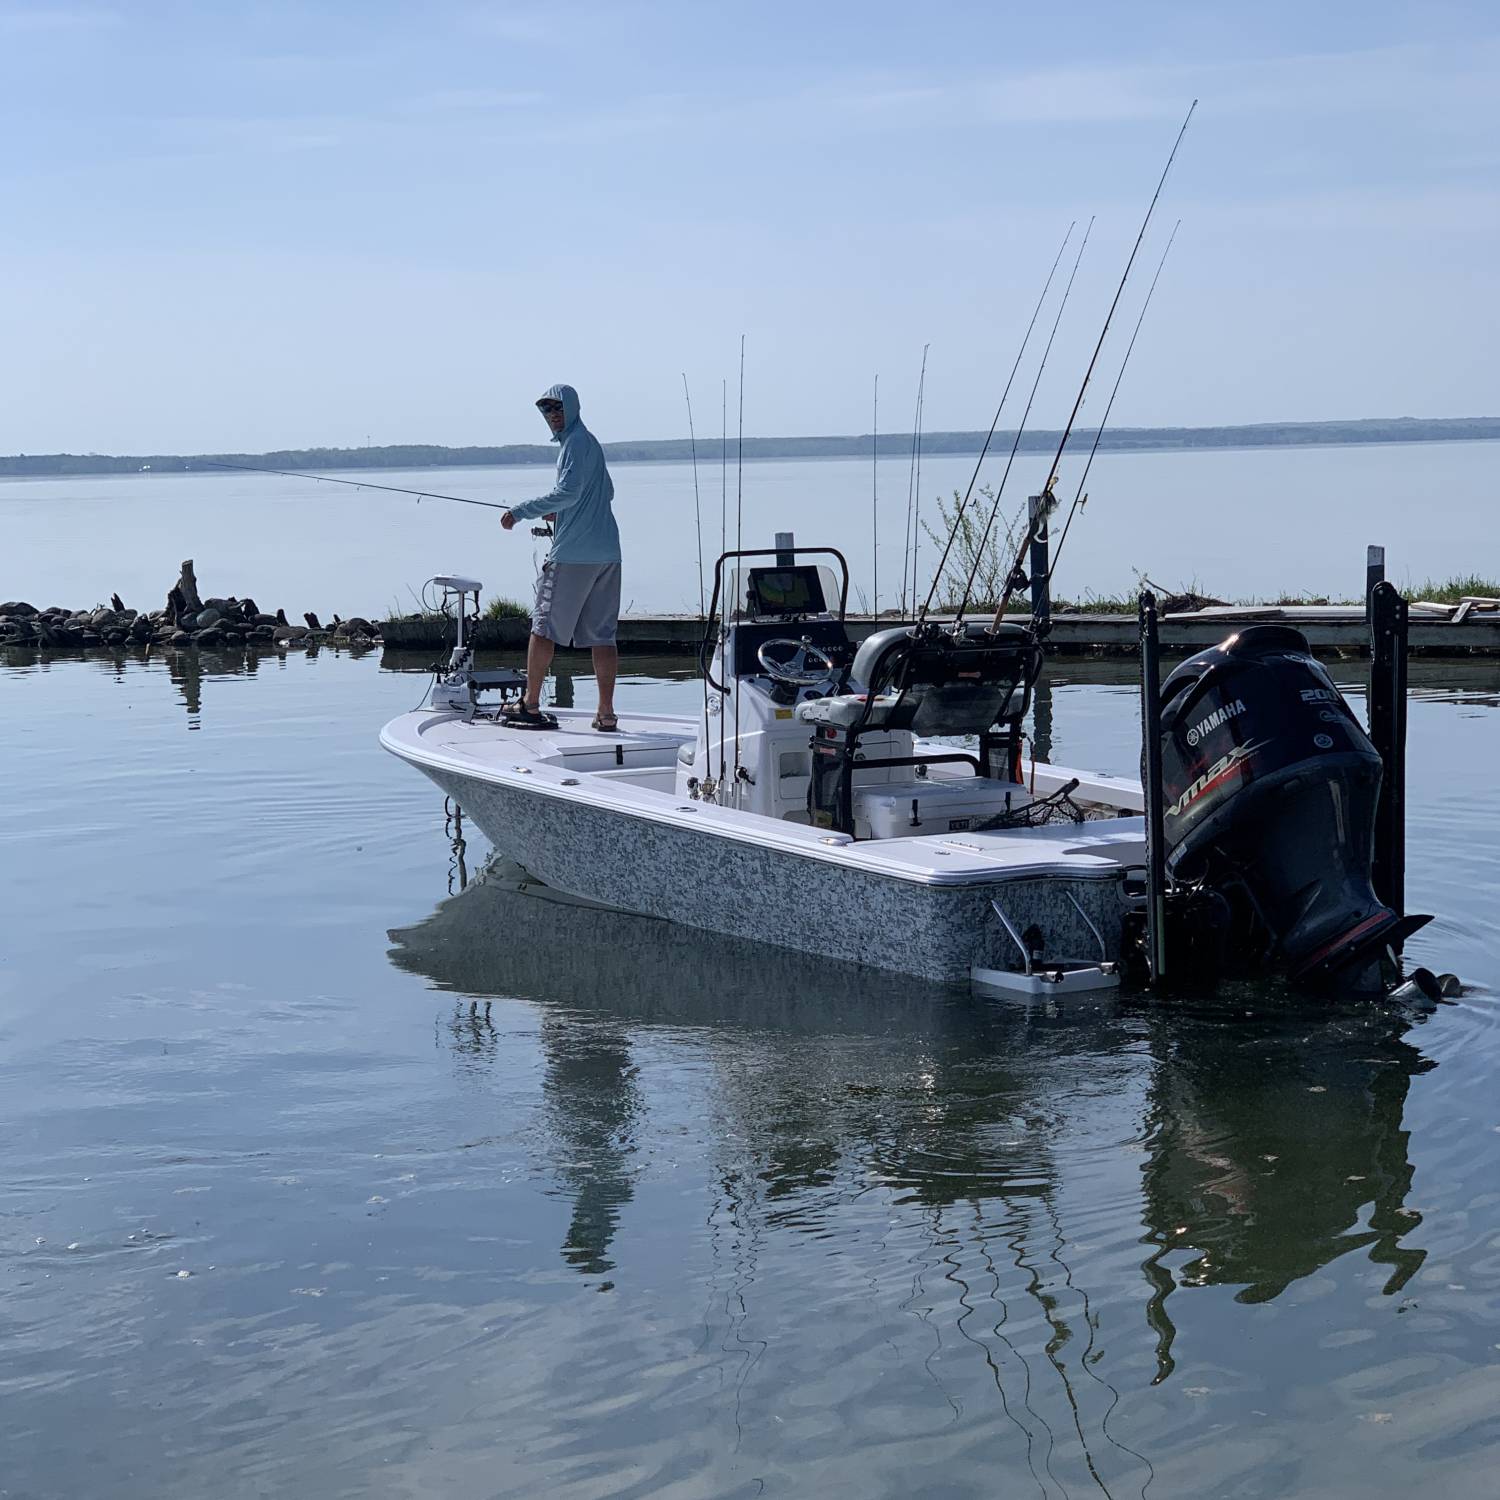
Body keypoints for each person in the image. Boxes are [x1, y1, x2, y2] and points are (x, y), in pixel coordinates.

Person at [500, 384, 621, 731]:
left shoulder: (574, 443)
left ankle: (530, 704)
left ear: (572, 408)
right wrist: (565, 514)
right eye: (547, 411)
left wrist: (520, 511)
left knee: (543, 628)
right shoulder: (590, 442)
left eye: (558, 409)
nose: (553, 416)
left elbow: (567, 492)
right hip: (609, 554)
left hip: (572, 556)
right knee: (602, 634)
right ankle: (606, 713)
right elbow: (605, 492)